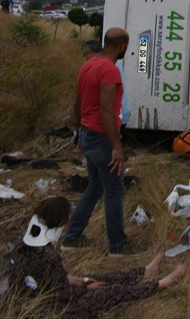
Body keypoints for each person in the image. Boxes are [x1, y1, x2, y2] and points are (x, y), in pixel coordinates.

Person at [8, 197, 187, 319]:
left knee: (93, 278)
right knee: (107, 291)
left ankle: (146, 271)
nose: (69, 222)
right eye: (67, 218)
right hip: (54, 312)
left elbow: (39, 279)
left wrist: (74, 279)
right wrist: (87, 289)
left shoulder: (21, 247)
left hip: (36, 302)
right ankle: (161, 284)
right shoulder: (47, 255)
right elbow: (61, 294)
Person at [62, 28, 142, 256]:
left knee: (94, 187)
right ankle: (118, 245)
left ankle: (71, 238)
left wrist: (80, 135)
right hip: (102, 139)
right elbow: (107, 111)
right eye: (127, 46)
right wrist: (117, 147)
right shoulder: (110, 70)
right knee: (114, 190)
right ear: (122, 46)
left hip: (88, 135)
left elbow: (77, 104)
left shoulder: (88, 66)